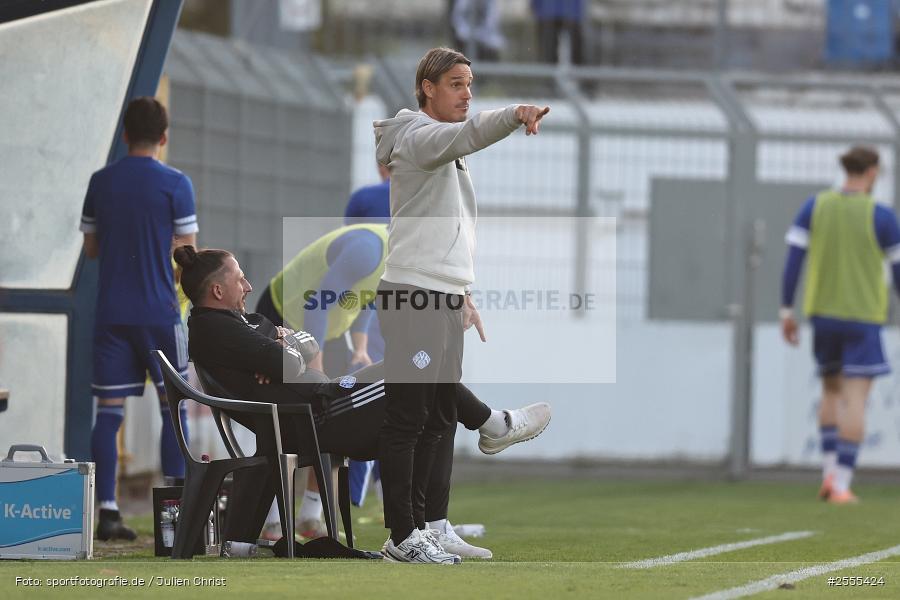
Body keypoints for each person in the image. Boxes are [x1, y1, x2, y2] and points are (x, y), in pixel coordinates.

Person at [175, 246, 550, 560]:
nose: (248, 284)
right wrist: (283, 349)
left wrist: (286, 346)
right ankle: (490, 429)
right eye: (238, 278)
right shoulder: (216, 329)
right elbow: (288, 358)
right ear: (218, 291)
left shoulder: (241, 321)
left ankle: (449, 498)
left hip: (326, 398)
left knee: (421, 369)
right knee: (420, 375)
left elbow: (306, 343)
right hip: (319, 416)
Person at [373, 47, 550, 562]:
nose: (467, 94)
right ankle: (401, 536)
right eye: (456, 83)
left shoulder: (436, 143)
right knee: (409, 418)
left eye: (470, 84)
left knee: (437, 418)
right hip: (413, 297)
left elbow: (443, 227)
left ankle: (433, 524)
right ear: (427, 88)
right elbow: (469, 133)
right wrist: (515, 115)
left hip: (440, 294)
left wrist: (461, 294)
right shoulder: (418, 135)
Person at [79, 97, 198, 540]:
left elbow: (92, 249)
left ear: (124, 135)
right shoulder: (176, 183)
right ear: (164, 138)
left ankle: (107, 512)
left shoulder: (101, 182)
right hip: (159, 314)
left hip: (111, 313)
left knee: (108, 413)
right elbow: (187, 253)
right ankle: (178, 509)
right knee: (174, 409)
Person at [780, 146, 900, 504]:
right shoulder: (881, 216)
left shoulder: (814, 206)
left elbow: (793, 260)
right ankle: (842, 484)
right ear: (873, 172)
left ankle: (828, 475)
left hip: (824, 315)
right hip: (862, 317)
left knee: (830, 392)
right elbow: (897, 274)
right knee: (855, 400)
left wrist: (787, 309)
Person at [531, 0, 586, 65]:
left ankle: (580, 72)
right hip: (549, 13)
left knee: (547, 54)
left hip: (566, 12)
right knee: (547, 54)